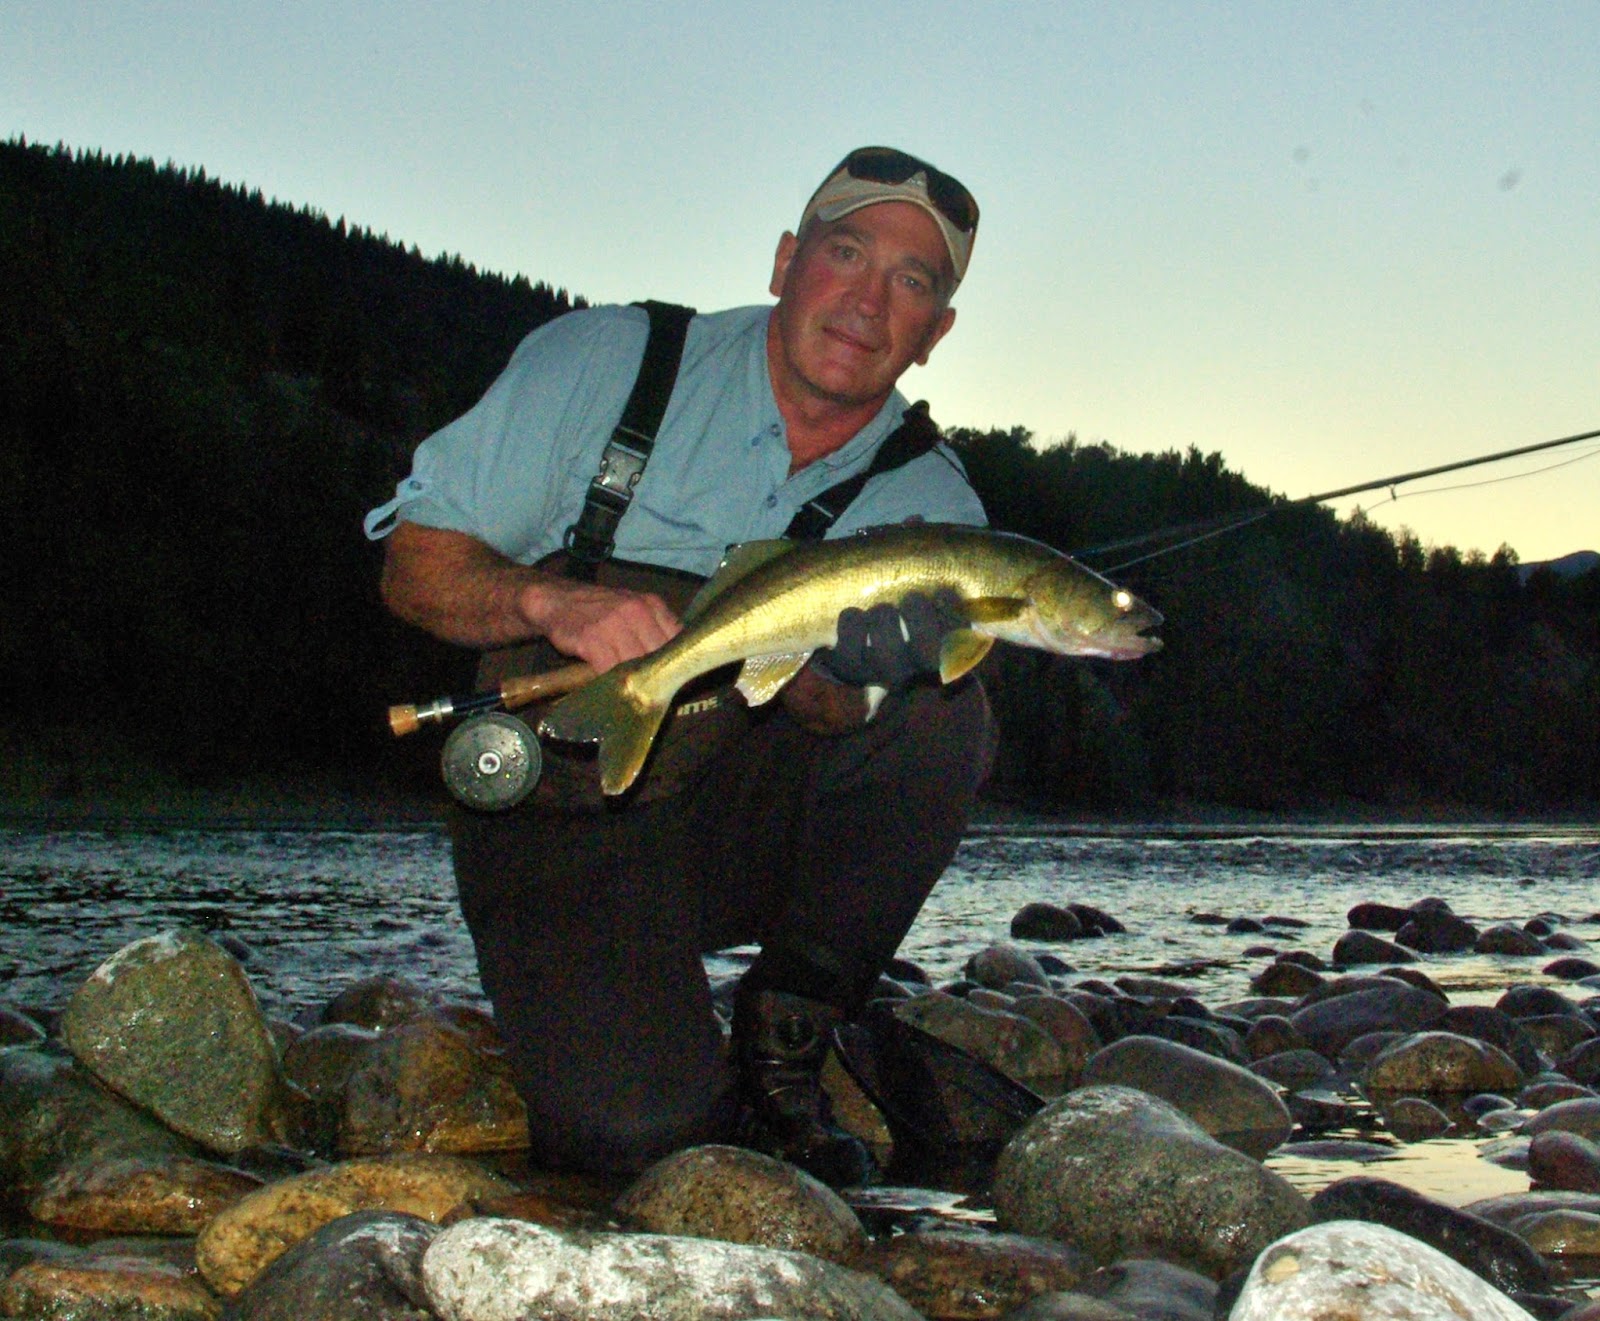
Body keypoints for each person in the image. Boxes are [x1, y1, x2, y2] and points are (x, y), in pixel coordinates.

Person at [365, 146, 995, 1186]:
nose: (868, 299)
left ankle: (790, 1021)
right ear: (785, 260)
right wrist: (548, 598)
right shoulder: (608, 363)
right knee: (636, 1144)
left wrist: (831, 674)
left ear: (934, 334)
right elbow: (413, 569)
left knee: (947, 705)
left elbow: (848, 720)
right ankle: (647, 1033)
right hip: (562, 823)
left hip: (738, 829)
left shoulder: (929, 503)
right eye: (846, 252)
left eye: (912, 282)